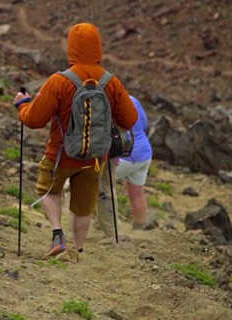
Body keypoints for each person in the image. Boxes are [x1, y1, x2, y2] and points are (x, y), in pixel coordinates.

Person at [13, 23, 138, 257]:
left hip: (60, 155)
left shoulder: (59, 81)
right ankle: (78, 250)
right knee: (84, 207)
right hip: (95, 158)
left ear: (71, 47)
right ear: (98, 47)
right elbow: (130, 120)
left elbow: (34, 120)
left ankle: (58, 235)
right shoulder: (111, 82)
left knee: (48, 190)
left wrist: (23, 105)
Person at [113, 95, 156, 230]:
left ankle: (109, 227)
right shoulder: (132, 100)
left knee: (100, 186)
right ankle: (140, 226)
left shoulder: (109, 102)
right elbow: (144, 123)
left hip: (125, 156)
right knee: (136, 192)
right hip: (144, 153)